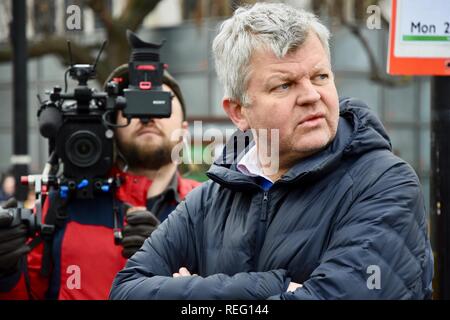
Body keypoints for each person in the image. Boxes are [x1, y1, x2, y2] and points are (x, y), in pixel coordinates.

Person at [110, 3, 433, 300]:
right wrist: (270, 285)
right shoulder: (209, 201)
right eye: (284, 85)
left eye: (320, 76)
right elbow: (125, 291)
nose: (311, 95)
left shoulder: (384, 184)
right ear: (238, 112)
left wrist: (188, 292)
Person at [0, 68, 201, 300]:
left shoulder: (206, 207)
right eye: (133, 104)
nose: (146, 117)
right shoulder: (62, 203)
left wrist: (169, 261)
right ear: (112, 125)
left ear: (184, 130)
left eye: (159, 104)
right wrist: (6, 274)